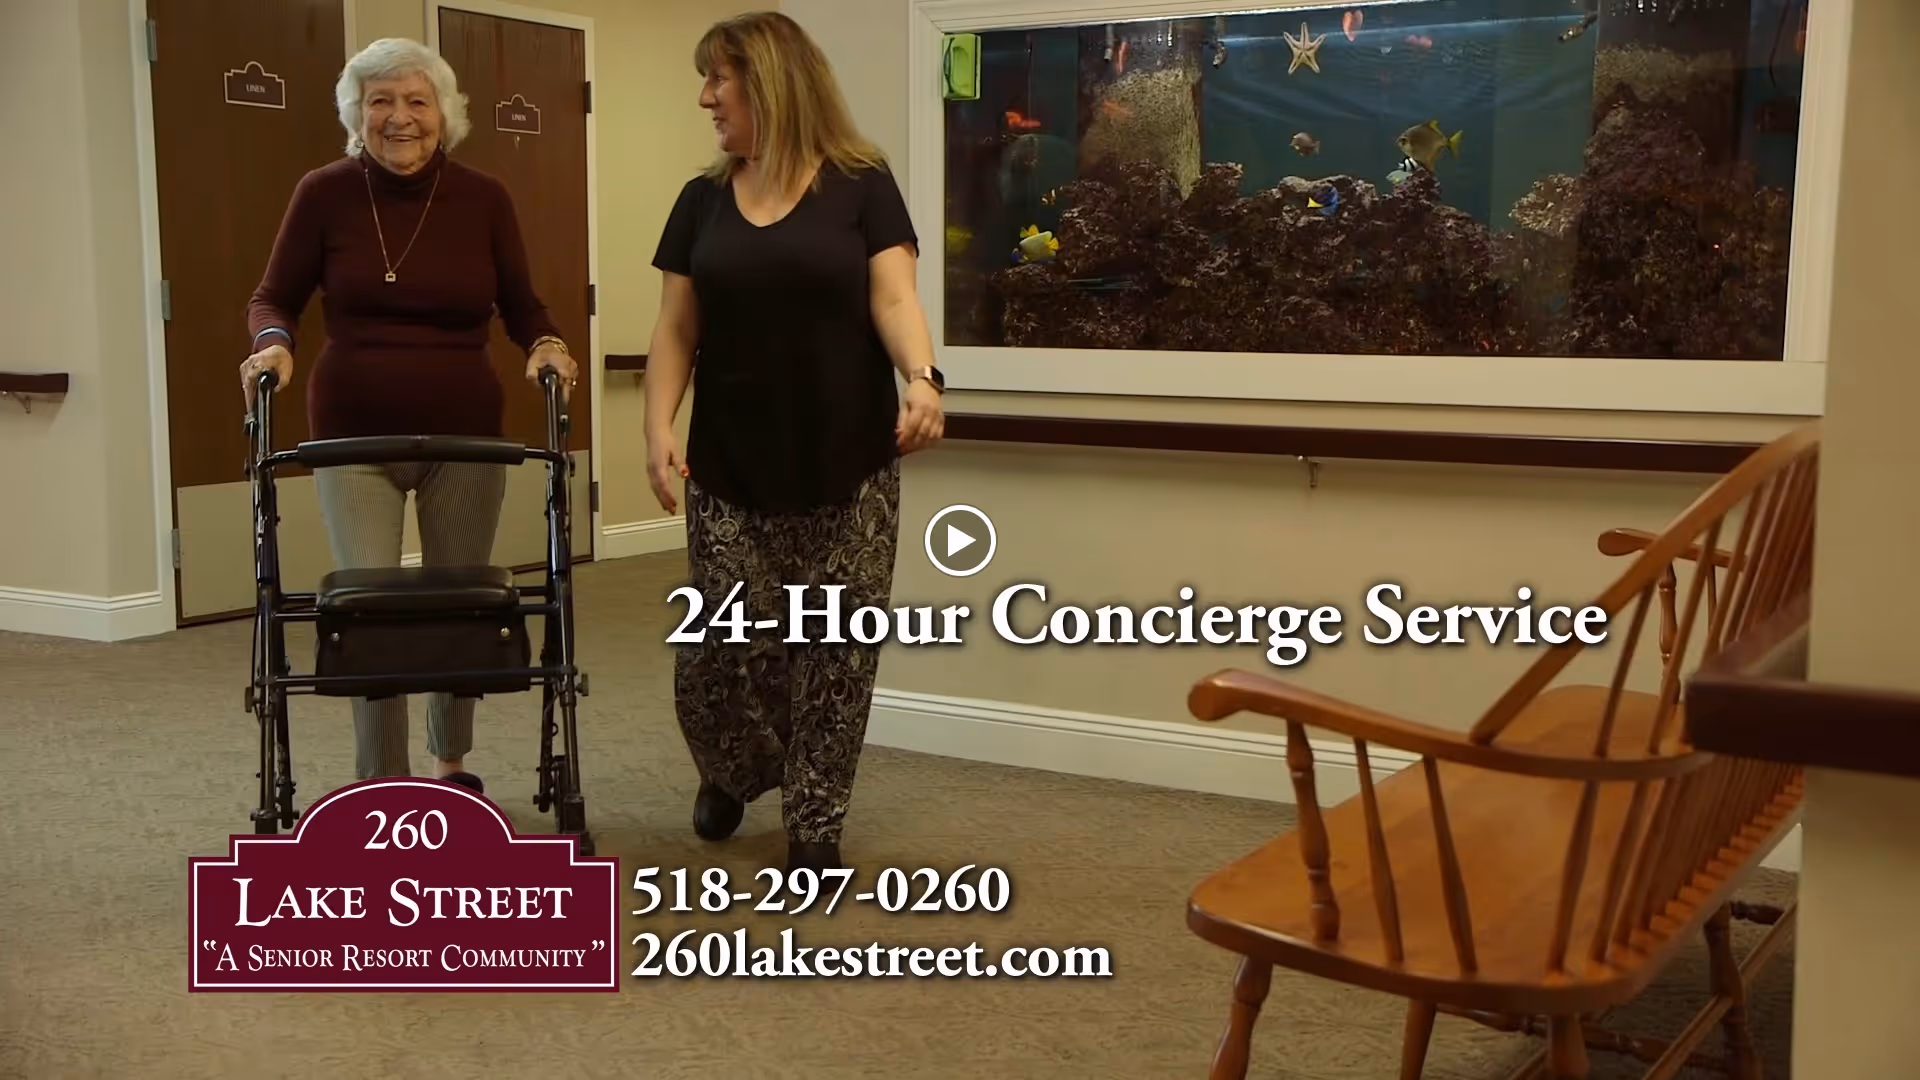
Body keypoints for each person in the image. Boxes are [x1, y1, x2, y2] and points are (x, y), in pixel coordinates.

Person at [644, 11, 946, 874]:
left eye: (718, 80)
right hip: (732, 462)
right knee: (725, 654)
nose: (706, 98)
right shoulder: (700, 201)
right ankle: (738, 766)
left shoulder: (861, 184)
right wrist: (656, 426)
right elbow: (674, 331)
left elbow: (894, 299)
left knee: (837, 650)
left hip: (848, 459)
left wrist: (923, 379)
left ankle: (816, 819)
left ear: (770, 83)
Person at [240, 37, 578, 794]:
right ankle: (382, 782)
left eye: (416, 101)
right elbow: (273, 297)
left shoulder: (484, 197)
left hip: (465, 434)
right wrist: (274, 345)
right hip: (353, 434)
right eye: (381, 101)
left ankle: (450, 764)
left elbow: (523, 305)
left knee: (461, 602)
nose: (400, 118)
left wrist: (547, 344)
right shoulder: (322, 192)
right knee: (369, 615)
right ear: (357, 114)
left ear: (444, 113)